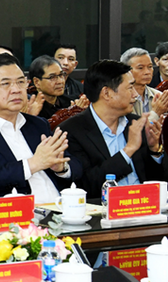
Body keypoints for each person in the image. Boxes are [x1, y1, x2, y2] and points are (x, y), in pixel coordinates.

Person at [0, 54, 80, 209]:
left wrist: (60, 168)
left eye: (20, 82)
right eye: (6, 84)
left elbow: (76, 167)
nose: (16, 90)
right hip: (8, 216)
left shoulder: (38, 124)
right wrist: (33, 164)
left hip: (58, 210)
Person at [60, 60, 167, 199]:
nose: (135, 94)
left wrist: (154, 150)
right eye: (130, 88)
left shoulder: (135, 123)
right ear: (107, 93)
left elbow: (158, 181)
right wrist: (128, 151)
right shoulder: (71, 131)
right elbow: (86, 186)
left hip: (145, 208)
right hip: (105, 212)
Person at [121, 47, 168, 122]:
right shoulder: (120, 99)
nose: (147, 72)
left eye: (150, 67)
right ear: (127, 71)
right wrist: (156, 113)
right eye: (140, 68)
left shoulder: (159, 96)